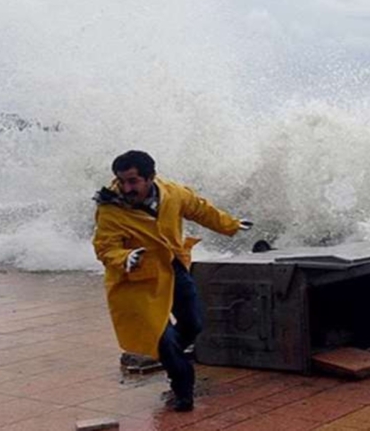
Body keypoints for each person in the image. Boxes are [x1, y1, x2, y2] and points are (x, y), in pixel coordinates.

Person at [92, 150, 252, 412]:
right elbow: (105, 247)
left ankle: (170, 355)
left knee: (193, 323)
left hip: (173, 267)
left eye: (133, 181)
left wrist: (230, 224)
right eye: (122, 181)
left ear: (150, 177)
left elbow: (200, 209)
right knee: (163, 338)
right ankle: (182, 389)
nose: (126, 188)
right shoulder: (110, 209)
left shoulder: (172, 193)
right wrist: (124, 257)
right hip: (137, 280)